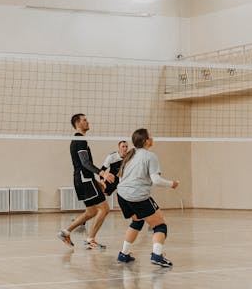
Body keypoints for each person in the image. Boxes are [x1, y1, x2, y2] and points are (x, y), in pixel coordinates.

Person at [115, 128, 180, 267]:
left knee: (137, 221)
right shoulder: (150, 156)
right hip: (137, 196)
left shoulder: (131, 154)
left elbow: (121, 178)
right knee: (160, 225)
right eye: (151, 136)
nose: (153, 137)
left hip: (121, 195)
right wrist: (172, 184)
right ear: (146, 141)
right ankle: (157, 255)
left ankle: (124, 254)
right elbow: (156, 180)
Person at [57, 114, 115, 250]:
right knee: (105, 208)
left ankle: (65, 232)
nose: (87, 122)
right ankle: (90, 239)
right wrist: (102, 173)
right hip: (85, 179)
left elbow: (82, 164)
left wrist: (95, 181)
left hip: (82, 179)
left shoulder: (76, 140)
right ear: (78, 123)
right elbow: (85, 162)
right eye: (84, 120)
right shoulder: (80, 140)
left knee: (91, 212)